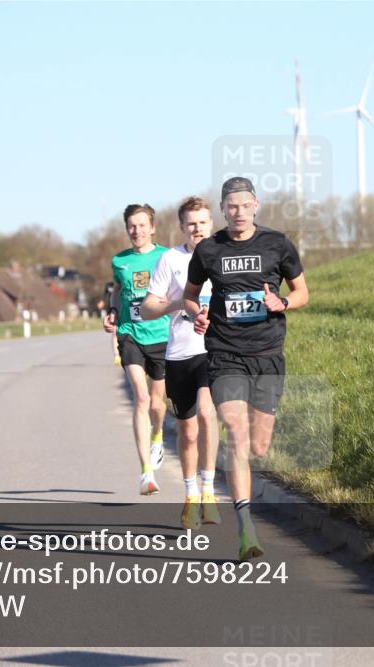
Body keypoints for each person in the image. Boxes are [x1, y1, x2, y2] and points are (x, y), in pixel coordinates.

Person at [183, 177, 308, 561]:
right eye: (231, 206)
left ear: (256, 205)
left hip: (268, 353)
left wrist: (282, 305)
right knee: (235, 432)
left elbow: (302, 292)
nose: (238, 212)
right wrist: (197, 316)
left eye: (244, 205)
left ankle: (245, 514)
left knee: (259, 445)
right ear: (223, 209)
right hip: (224, 353)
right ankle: (246, 529)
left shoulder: (278, 244)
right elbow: (189, 296)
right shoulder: (208, 249)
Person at [141, 196, 220, 529]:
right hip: (179, 354)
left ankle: (209, 492)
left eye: (202, 222)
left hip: (213, 350)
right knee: (187, 432)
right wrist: (176, 303)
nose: (197, 228)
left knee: (207, 413)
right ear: (182, 226)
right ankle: (190, 496)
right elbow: (147, 309)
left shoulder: (221, 255)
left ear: (211, 224)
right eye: (191, 223)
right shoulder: (170, 260)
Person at [102, 204, 170, 495]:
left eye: (142, 225)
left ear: (152, 228)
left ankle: (158, 435)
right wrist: (113, 313)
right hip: (130, 335)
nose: (136, 231)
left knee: (157, 403)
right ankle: (146, 472)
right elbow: (117, 289)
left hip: (162, 336)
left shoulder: (166, 257)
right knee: (141, 398)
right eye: (131, 226)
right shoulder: (119, 261)